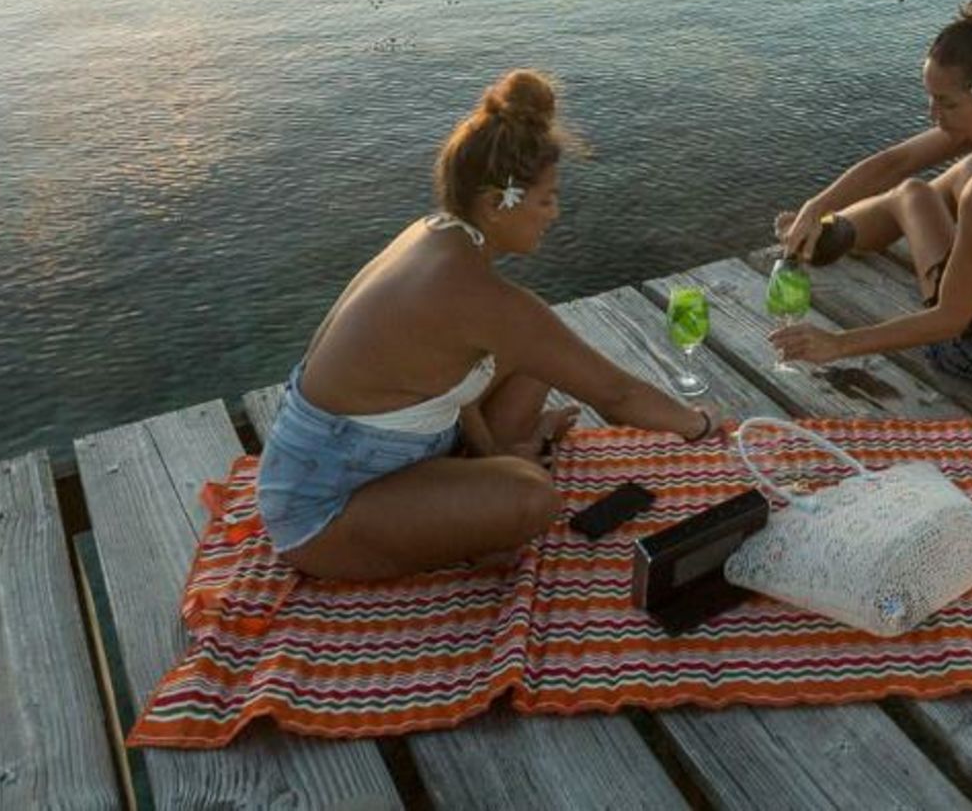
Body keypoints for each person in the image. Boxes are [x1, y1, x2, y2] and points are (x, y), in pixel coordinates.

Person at [257, 70, 716, 579]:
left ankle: (488, 467)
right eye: (546, 199)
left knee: (540, 358)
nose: (554, 214)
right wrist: (701, 425)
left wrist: (494, 453)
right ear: (498, 204)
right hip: (323, 513)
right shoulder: (477, 295)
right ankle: (483, 497)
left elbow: (458, 384)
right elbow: (618, 396)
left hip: (387, 456)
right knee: (531, 499)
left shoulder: (436, 234)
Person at [771, 0, 972, 386]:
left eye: (946, 103)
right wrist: (814, 207)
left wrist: (837, 343)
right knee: (962, 168)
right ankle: (831, 233)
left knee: (914, 194)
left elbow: (952, 320)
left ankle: (834, 238)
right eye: (930, 98)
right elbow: (894, 161)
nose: (932, 114)